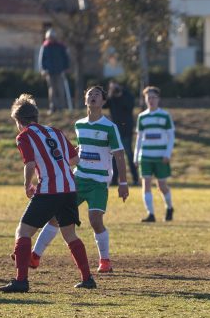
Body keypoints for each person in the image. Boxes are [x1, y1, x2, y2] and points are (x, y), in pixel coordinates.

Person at [0, 94, 96, 293]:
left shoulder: (24, 136)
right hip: (69, 188)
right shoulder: (56, 132)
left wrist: (27, 185)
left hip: (49, 190)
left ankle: (21, 281)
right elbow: (75, 159)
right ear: (35, 116)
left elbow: (30, 164)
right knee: (70, 235)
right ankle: (88, 278)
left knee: (23, 232)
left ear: (19, 121)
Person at [30, 86, 130, 274]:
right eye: (90, 94)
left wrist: (123, 183)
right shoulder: (80, 125)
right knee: (55, 216)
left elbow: (119, 155)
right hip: (78, 178)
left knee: (95, 220)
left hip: (99, 181)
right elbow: (80, 148)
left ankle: (105, 260)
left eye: (97, 95)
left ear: (103, 102)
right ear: (85, 100)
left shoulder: (110, 127)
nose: (93, 97)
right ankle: (35, 256)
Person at [135, 86, 175, 222]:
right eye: (148, 98)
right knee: (145, 184)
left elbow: (171, 136)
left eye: (153, 97)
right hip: (145, 156)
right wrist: (136, 156)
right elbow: (139, 138)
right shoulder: (142, 117)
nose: (151, 100)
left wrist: (167, 154)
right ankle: (150, 214)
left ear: (158, 99)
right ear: (145, 100)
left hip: (160, 156)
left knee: (162, 185)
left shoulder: (165, 116)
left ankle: (169, 208)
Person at [105, 81, 140, 186]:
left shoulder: (127, 95)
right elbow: (104, 105)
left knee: (129, 155)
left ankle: (135, 179)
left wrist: (120, 94)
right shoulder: (111, 98)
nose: (114, 89)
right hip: (115, 131)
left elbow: (129, 105)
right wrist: (110, 94)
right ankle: (114, 180)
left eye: (116, 87)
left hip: (126, 131)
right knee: (114, 156)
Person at [38, 29, 71, 113]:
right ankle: (52, 107)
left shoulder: (60, 46)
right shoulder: (45, 47)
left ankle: (61, 108)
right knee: (52, 90)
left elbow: (65, 58)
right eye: (49, 37)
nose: (50, 39)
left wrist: (66, 67)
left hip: (59, 71)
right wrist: (42, 69)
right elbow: (41, 60)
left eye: (52, 37)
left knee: (60, 89)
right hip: (49, 72)